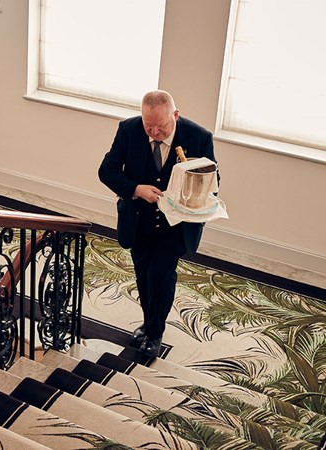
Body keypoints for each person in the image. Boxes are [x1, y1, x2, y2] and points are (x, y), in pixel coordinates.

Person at [98, 90, 218, 358]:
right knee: (143, 275)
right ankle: (148, 322)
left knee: (160, 277)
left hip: (174, 227)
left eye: (161, 127)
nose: (153, 132)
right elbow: (106, 171)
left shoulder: (199, 137)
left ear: (175, 115)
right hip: (138, 221)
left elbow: (212, 183)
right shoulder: (128, 130)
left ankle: (155, 333)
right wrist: (136, 188)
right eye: (148, 125)